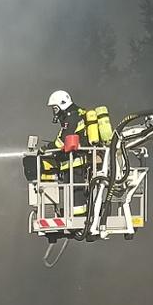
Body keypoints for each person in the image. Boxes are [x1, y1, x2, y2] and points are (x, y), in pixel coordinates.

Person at [34, 90, 115, 218]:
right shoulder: (77, 113)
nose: (54, 111)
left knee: (75, 189)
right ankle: (82, 214)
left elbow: (63, 140)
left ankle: (77, 216)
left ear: (61, 105)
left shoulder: (71, 116)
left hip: (75, 161)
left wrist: (46, 148)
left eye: (54, 108)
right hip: (80, 158)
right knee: (79, 189)